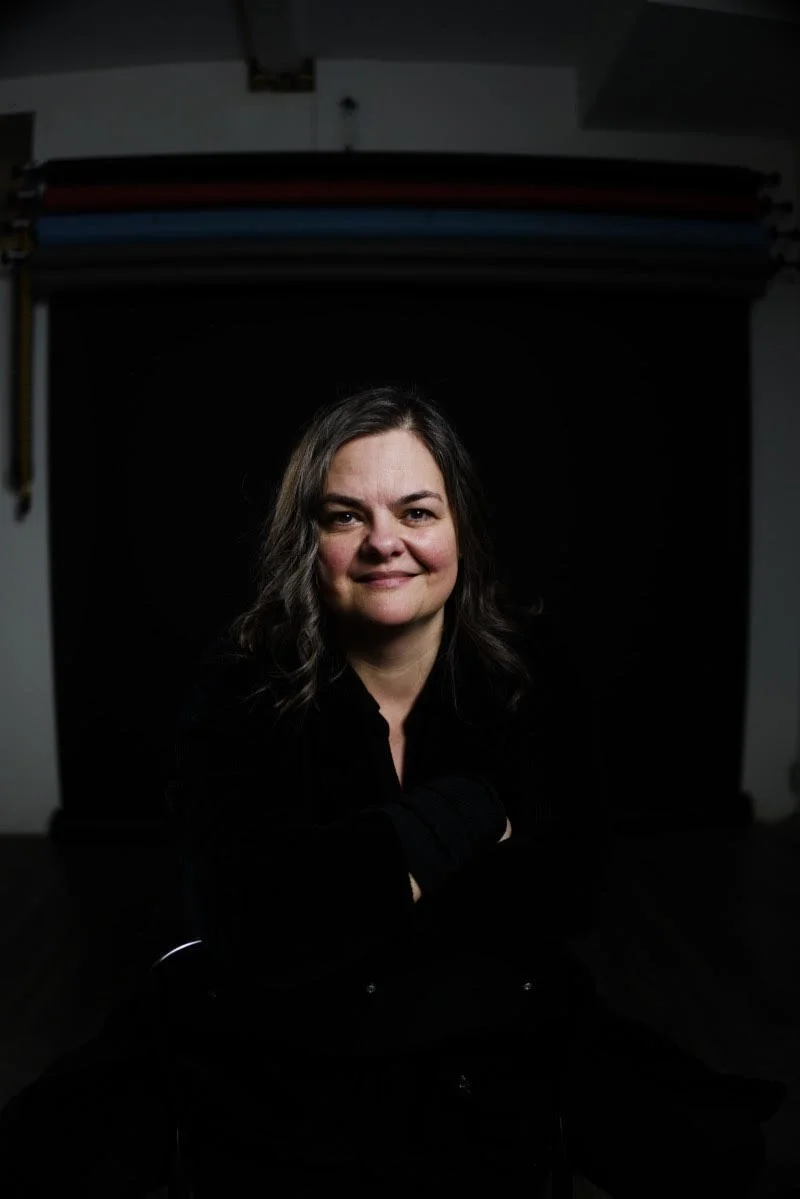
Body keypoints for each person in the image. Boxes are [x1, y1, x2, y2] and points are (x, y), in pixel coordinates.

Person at [167, 382, 785, 1198]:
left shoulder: (529, 671)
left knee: (715, 1154)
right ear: (307, 541)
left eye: (417, 512)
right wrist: (465, 817)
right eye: (346, 516)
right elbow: (249, 920)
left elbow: (568, 889)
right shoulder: (243, 687)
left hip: (492, 1060)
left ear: (461, 527)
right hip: (297, 1074)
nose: (384, 541)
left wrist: (350, 888)